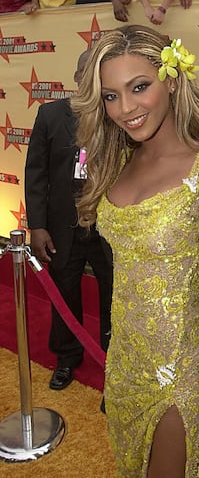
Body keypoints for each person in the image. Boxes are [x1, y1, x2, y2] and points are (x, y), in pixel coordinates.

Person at [71, 24, 199, 476]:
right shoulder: (117, 161)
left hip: (182, 365)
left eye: (140, 87)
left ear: (172, 79)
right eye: (111, 95)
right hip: (125, 359)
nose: (125, 109)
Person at [25, 50, 113, 392]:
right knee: (63, 292)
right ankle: (66, 358)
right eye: (86, 73)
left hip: (108, 228)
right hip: (63, 226)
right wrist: (38, 226)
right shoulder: (50, 115)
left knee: (115, 297)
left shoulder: (116, 114)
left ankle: (113, 360)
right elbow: (36, 174)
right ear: (77, 77)